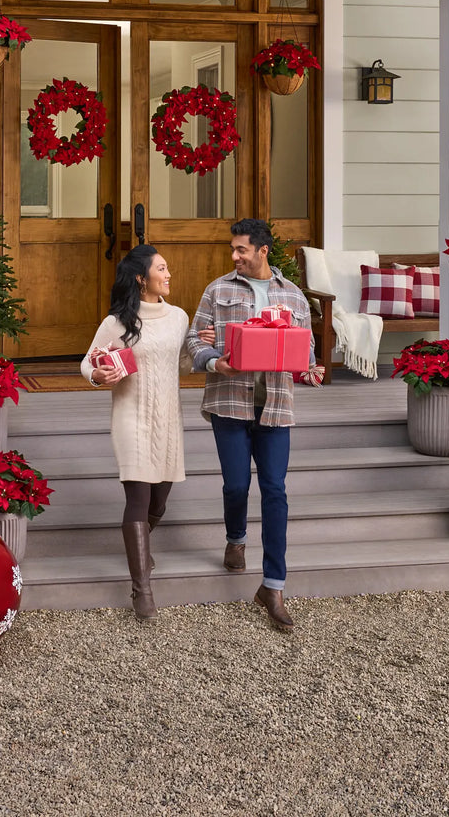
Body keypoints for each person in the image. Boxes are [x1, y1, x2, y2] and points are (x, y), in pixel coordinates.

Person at [186, 218, 317, 632]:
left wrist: (310, 368)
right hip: (229, 403)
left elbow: (306, 348)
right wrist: (213, 360)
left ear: (263, 251)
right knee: (237, 485)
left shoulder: (293, 297)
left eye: (241, 249)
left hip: (276, 408)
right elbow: (195, 341)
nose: (235, 256)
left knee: (276, 490)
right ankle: (236, 537)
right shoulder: (217, 290)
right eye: (233, 250)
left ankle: (273, 586)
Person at [81, 244, 191, 623]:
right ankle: (141, 587)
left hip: (168, 420)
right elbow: (88, 361)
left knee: (158, 503)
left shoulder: (179, 317)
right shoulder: (118, 322)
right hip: (131, 418)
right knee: (138, 498)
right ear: (142, 278)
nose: (169, 273)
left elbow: (184, 362)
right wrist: (98, 375)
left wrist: (203, 346)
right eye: (163, 268)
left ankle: (142, 547)